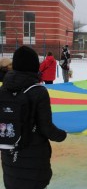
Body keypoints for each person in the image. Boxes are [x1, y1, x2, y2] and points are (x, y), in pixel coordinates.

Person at [0, 46, 67, 189]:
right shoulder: (38, 92)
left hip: (10, 154)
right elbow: (46, 128)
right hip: (34, 156)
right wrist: (62, 135)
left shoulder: (4, 89)